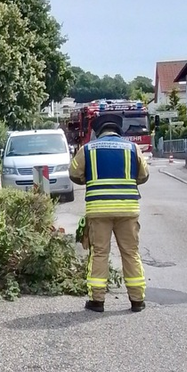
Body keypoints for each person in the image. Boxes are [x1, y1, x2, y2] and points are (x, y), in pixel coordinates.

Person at [70, 113, 150, 313]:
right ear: (118, 130)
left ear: (98, 131)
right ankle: (137, 300)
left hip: (99, 210)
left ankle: (97, 301)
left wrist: (88, 180)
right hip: (128, 210)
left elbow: (74, 173)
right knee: (131, 253)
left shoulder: (87, 149)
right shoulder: (133, 148)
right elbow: (144, 175)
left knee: (99, 253)